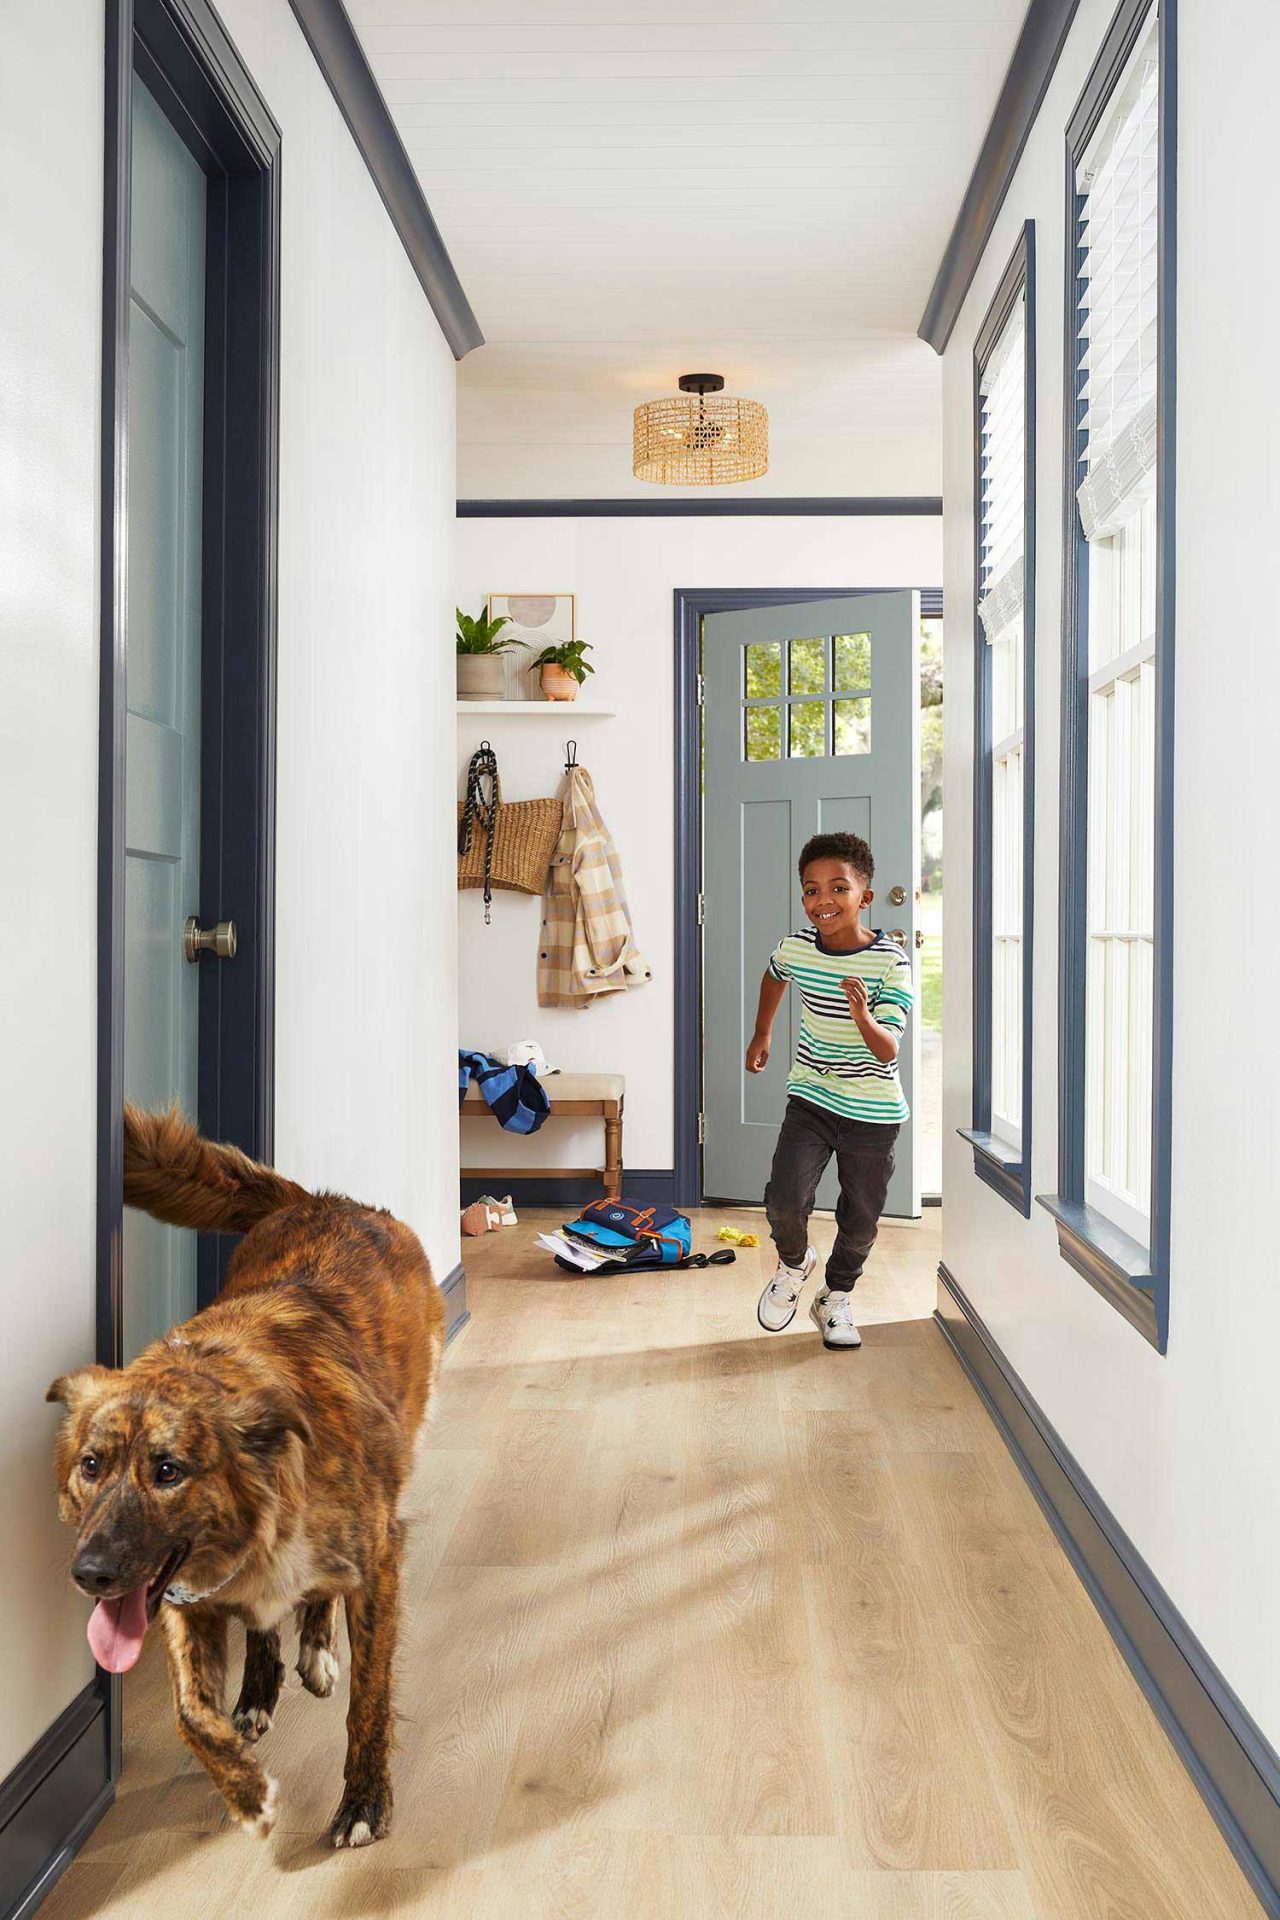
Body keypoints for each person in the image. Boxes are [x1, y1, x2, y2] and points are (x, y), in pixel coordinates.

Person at [746, 831, 913, 1350]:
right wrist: (763, 1032)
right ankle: (795, 1266)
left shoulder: (891, 962)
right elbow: (775, 974)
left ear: (864, 896)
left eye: (838, 888)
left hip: (873, 1112)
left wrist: (862, 1015)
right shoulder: (796, 948)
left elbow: (887, 1050)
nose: (824, 900)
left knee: (860, 1219)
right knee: (783, 1203)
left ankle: (835, 1296)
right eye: (811, 890)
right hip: (812, 1098)